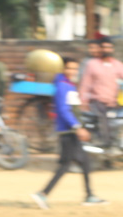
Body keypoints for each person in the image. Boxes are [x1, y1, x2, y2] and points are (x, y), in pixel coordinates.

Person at [31, 57, 105, 208]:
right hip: (68, 132)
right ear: (62, 69)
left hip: (71, 131)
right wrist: (77, 127)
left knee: (84, 162)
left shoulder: (68, 85)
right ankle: (43, 194)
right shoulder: (63, 86)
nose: (72, 71)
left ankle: (89, 195)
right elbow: (64, 110)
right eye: (69, 68)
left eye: (75, 68)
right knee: (66, 166)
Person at [79, 36, 123, 149]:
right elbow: (85, 84)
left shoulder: (117, 65)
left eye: (109, 47)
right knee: (103, 118)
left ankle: (120, 143)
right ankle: (106, 144)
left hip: (113, 102)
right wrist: (83, 100)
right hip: (97, 101)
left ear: (113, 49)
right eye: (104, 47)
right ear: (100, 48)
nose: (107, 49)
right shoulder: (92, 64)